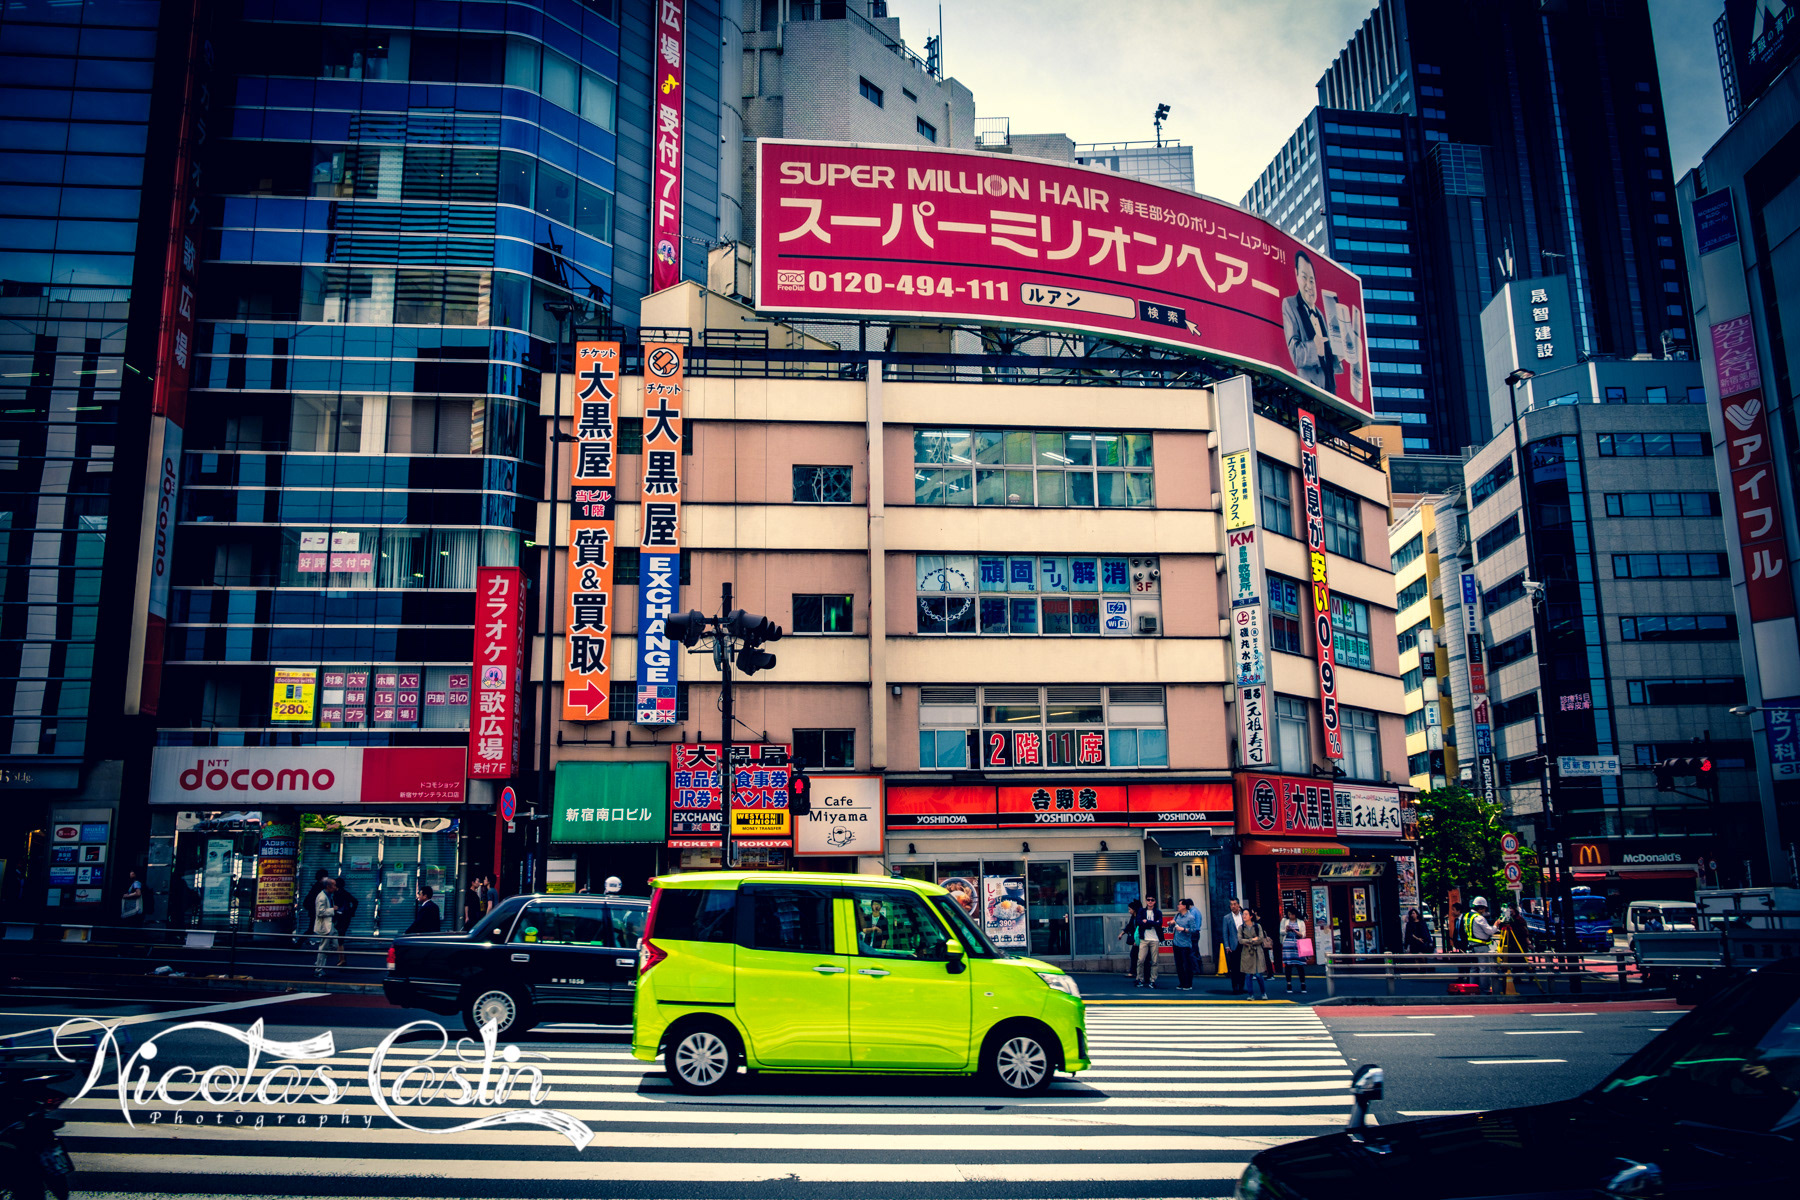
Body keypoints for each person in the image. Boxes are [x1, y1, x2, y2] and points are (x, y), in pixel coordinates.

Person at [1282, 250, 1339, 391]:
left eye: (1312, 280)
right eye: (1304, 278)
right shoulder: (1289, 304)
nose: (1309, 285)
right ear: (1296, 275)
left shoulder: (1320, 313)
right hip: (1309, 390)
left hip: (1330, 389)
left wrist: (1338, 352)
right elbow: (1295, 355)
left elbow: (1329, 358)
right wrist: (1315, 348)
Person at [1465, 896, 1498, 993]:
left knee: (1474, 969)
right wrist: (1496, 925)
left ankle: (1472, 990)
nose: (1484, 911)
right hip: (1481, 946)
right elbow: (1490, 931)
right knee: (1484, 969)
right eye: (1484, 908)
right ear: (1480, 908)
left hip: (1471, 946)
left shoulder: (1468, 916)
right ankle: (1485, 990)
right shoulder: (1479, 918)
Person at [1240, 907, 1271, 1000]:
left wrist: (1248, 941)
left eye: (1246, 914)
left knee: (1258, 974)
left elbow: (1260, 939)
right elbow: (1240, 940)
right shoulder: (1241, 928)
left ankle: (1263, 993)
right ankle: (1251, 995)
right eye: (1243, 914)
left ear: (1251, 916)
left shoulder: (1257, 926)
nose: (1244, 916)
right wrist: (1253, 939)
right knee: (1248, 975)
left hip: (1257, 952)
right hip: (1247, 953)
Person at [1171, 898, 1202, 991]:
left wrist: (1184, 929)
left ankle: (1188, 984)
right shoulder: (1177, 915)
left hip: (1185, 944)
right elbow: (1173, 925)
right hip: (1176, 943)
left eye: (1179, 904)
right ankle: (1182, 982)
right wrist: (1171, 923)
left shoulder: (1190, 917)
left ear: (1184, 906)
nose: (1178, 906)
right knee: (1179, 965)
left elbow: (1194, 930)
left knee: (1187, 964)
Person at [312, 878, 341, 976]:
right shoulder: (322, 897)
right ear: (328, 886)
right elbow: (320, 912)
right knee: (323, 948)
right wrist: (332, 910)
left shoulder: (329, 895)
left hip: (330, 925)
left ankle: (319, 962)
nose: (335, 887)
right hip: (325, 926)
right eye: (334, 885)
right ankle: (318, 969)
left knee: (334, 946)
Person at [1136, 895, 1164, 989]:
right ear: (1146, 901)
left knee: (1155, 961)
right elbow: (1138, 922)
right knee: (1140, 960)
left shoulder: (1158, 912)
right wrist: (1153, 923)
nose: (1150, 901)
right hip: (1144, 939)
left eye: (1152, 900)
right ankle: (1139, 979)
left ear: (1155, 901)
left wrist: (1147, 921)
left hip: (1155, 939)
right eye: (1148, 900)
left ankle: (1153, 980)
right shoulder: (1141, 911)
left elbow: (1159, 923)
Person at [1280, 906, 1309, 994]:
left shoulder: (1300, 922)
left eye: (1291, 914)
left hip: (1298, 945)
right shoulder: (1284, 921)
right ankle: (1289, 984)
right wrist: (1286, 930)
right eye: (1288, 914)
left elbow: (1303, 935)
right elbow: (1281, 932)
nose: (1290, 916)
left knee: (1300, 965)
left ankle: (1303, 984)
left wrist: (1295, 931)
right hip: (1288, 945)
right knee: (1288, 965)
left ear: (1295, 914)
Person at [332, 876, 359, 968]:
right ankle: (341, 958)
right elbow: (355, 902)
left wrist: (350, 912)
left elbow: (355, 901)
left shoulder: (340, 893)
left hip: (342, 917)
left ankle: (342, 959)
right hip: (344, 917)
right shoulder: (340, 893)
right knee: (339, 938)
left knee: (340, 939)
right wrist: (351, 912)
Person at [298, 869, 331, 937]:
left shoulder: (317, 886)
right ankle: (300, 942)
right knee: (313, 929)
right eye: (326, 877)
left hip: (316, 912)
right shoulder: (319, 887)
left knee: (314, 929)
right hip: (317, 912)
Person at [1117, 897, 1143, 980]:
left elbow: (1140, 930)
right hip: (1136, 940)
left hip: (1140, 940)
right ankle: (1134, 972)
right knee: (1134, 955)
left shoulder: (1138, 917)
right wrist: (1121, 933)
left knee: (1135, 955)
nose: (1129, 911)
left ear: (1134, 909)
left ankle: (1135, 973)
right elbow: (1129, 926)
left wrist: (1137, 941)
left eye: (1130, 909)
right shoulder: (1133, 917)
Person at [1223, 898, 1245, 994]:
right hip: (1233, 945)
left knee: (1243, 967)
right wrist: (1227, 946)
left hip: (1244, 945)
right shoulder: (1226, 918)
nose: (1233, 906)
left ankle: (1241, 986)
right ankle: (1235, 987)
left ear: (1238, 905)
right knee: (1234, 967)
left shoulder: (1244, 916)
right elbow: (1225, 933)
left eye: (1235, 904)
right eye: (1231, 904)